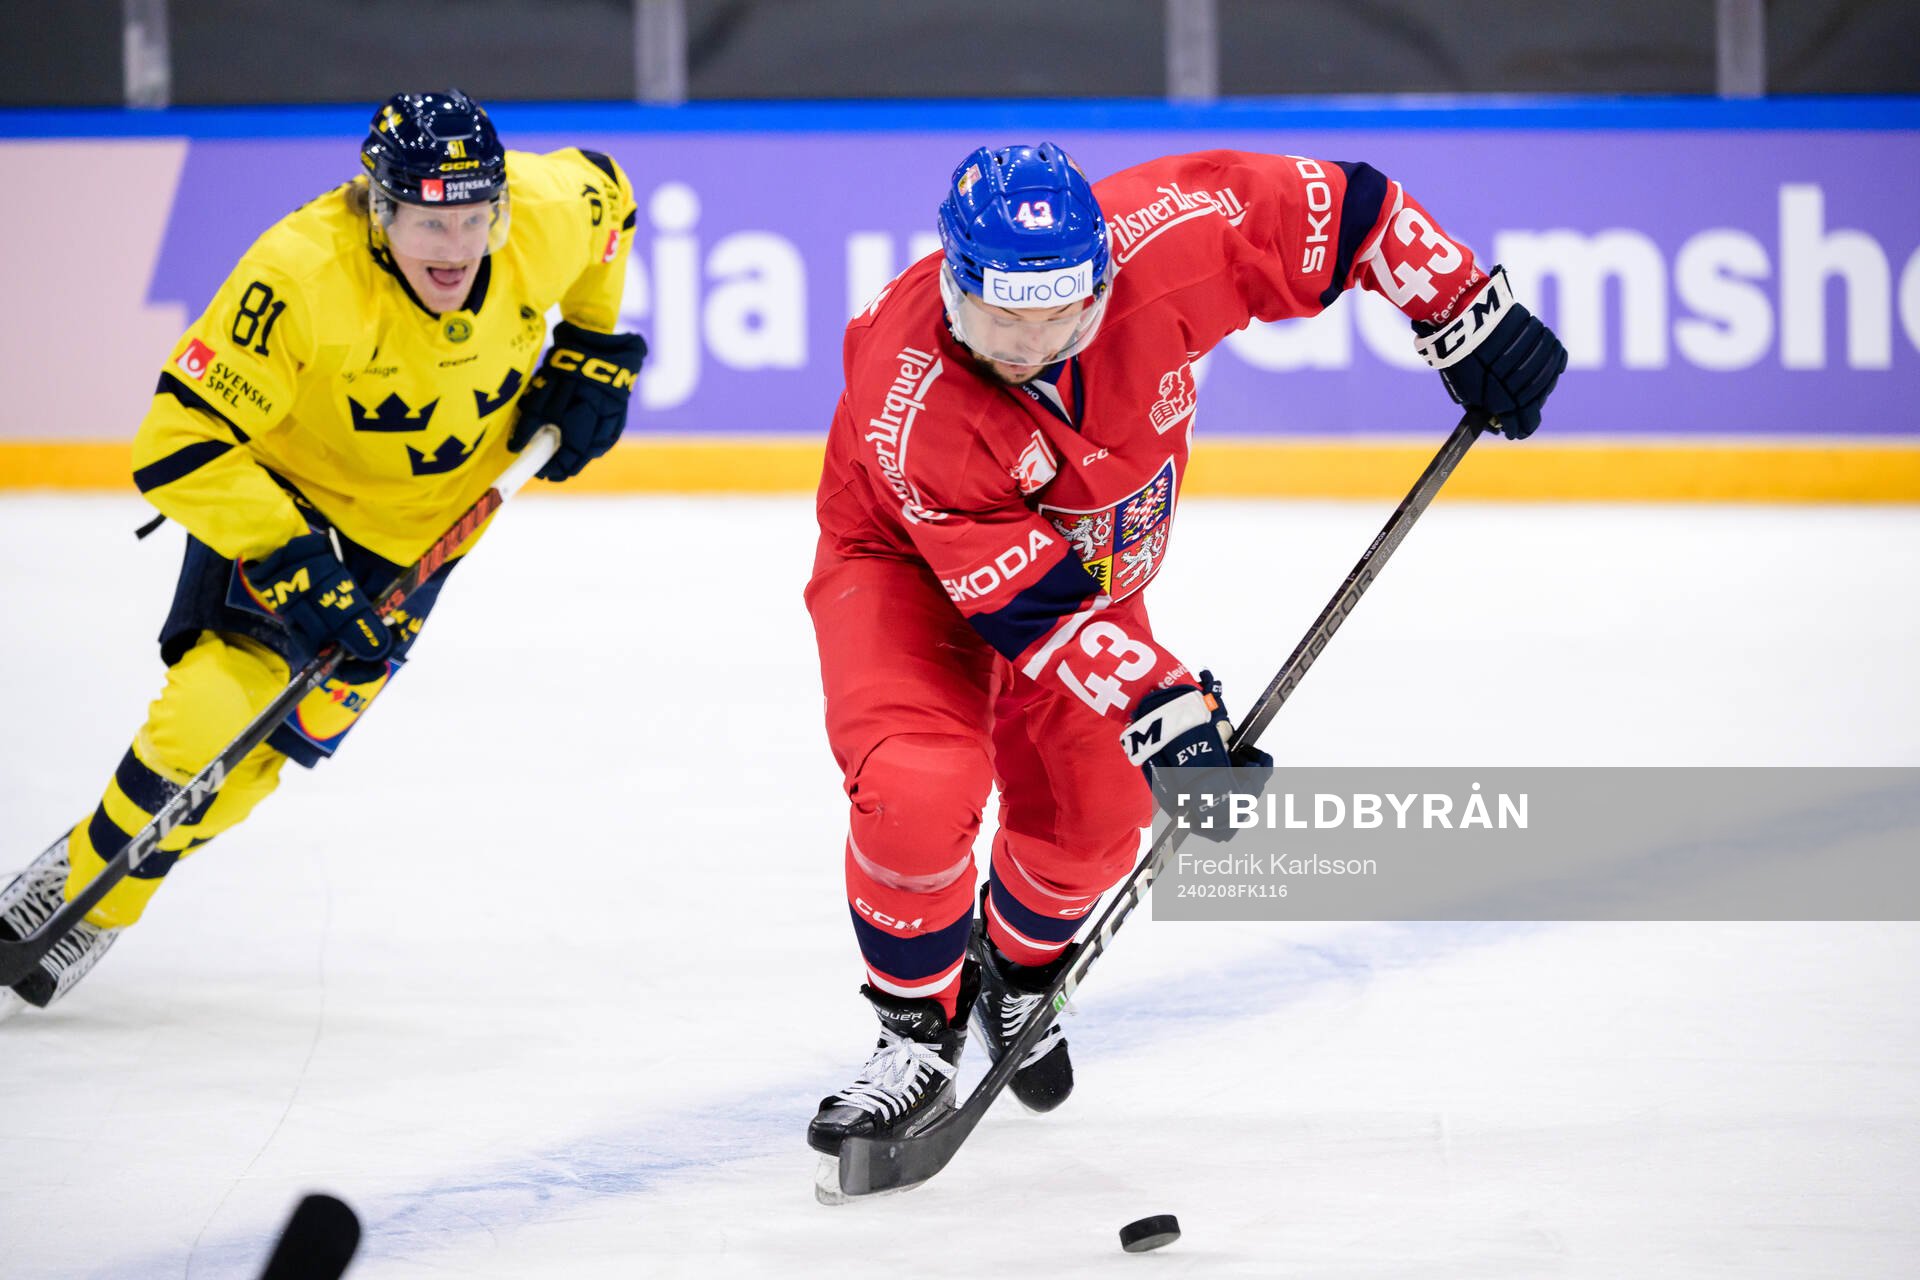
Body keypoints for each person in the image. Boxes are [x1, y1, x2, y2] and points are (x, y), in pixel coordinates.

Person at [804, 143, 1565, 1172]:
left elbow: (1353, 211)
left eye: (1059, 316)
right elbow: (1032, 607)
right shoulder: (914, 396)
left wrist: (1464, 308)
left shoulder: (1170, 237)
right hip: (906, 568)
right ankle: (915, 1030)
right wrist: (1163, 705)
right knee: (917, 783)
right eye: (1000, 320)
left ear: (1102, 278)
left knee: (1097, 822)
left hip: (1087, 569)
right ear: (953, 283)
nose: (1029, 345)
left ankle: (1015, 971)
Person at [0, 90, 647, 1018]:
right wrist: (293, 559)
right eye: (429, 221)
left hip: (422, 541)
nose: (457, 248)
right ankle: (85, 895)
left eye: (475, 218)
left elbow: (611, 196)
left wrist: (591, 343)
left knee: (264, 755)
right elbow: (175, 444)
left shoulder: (541, 215)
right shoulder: (299, 275)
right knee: (212, 714)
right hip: (292, 512)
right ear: (379, 208)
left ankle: (96, 867)